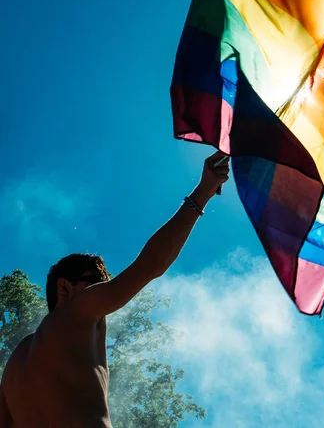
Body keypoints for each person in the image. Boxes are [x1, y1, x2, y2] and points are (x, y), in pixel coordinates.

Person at [0, 151, 230, 428]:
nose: (104, 290)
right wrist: (202, 192)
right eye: (97, 281)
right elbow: (150, 265)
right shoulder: (75, 312)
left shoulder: (14, 367)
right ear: (65, 287)